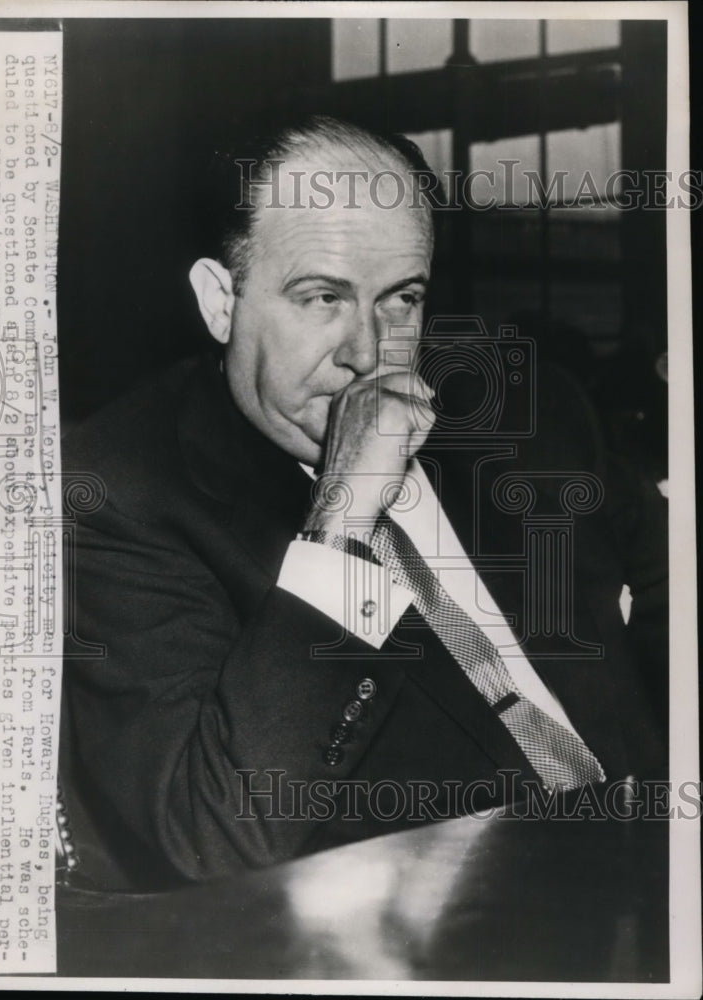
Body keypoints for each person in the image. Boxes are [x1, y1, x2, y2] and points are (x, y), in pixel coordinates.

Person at [60, 116, 667, 890]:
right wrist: (340, 523)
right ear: (221, 301)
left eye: (401, 299)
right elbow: (211, 833)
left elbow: (671, 589)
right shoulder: (119, 494)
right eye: (322, 297)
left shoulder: (517, 402)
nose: (370, 353)